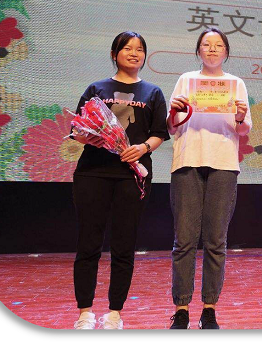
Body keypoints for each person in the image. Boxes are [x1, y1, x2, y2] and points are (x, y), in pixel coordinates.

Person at [72, 31, 169, 330]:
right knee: (89, 242)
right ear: (114, 54)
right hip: (93, 172)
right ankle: (85, 313)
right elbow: (77, 129)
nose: (134, 53)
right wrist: (88, 137)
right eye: (127, 48)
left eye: (139, 49)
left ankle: (114, 313)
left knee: (124, 245)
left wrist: (142, 148)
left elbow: (160, 133)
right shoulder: (97, 88)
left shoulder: (153, 92)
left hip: (132, 177)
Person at [167, 27, 252, 330]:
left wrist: (240, 117)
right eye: (206, 44)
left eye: (218, 45)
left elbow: (244, 129)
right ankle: (181, 308)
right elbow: (172, 127)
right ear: (198, 50)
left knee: (216, 241)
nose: (212, 49)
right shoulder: (186, 80)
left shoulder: (235, 84)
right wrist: (174, 111)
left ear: (226, 52)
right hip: (187, 161)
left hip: (223, 163)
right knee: (184, 240)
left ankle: (209, 308)